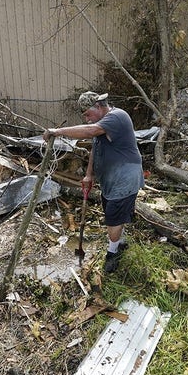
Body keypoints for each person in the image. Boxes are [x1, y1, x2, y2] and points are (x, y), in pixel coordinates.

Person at [43, 91, 144, 273]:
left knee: (113, 217)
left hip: (125, 177)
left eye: (88, 114)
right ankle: (120, 242)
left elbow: (90, 131)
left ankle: (113, 254)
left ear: (98, 106)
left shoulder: (117, 117)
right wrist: (89, 175)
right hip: (111, 179)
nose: (87, 119)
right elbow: (95, 150)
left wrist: (57, 132)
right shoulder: (101, 125)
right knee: (112, 213)